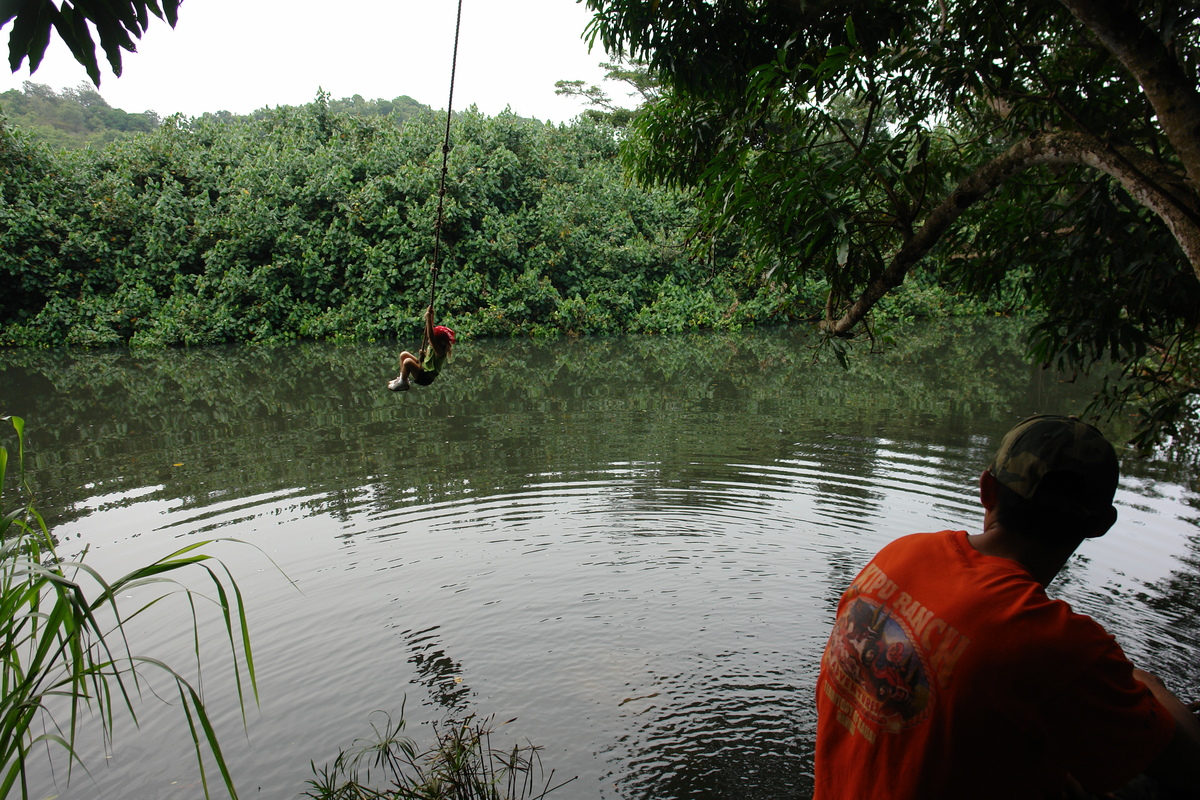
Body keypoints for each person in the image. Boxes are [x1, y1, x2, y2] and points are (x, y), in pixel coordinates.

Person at [813, 414, 1200, 800]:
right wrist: (1150, 685)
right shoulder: (1059, 644)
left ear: (987, 489)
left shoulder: (901, 554)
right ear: (1101, 524)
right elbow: (1190, 767)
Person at [387, 306, 455, 392]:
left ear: (438, 342)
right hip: (422, 368)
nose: (428, 340)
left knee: (407, 362)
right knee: (404, 354)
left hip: (425, 377)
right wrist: (431, 316)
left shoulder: (440, 352)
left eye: (431, 340)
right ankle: (402, 379)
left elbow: (431, 336)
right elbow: (430, 333)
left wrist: (428, 320)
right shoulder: (434, 345)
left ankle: (403, 383)